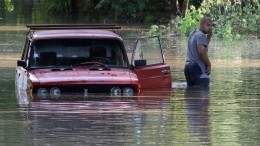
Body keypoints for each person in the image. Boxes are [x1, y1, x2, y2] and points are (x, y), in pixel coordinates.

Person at [184, 17, 213, 86]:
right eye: (208, 25)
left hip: (188, 67)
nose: (210, 28)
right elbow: (201, 51)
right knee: (202, 94)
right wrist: (209, 64)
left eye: (211, 25)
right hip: (199, 69)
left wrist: (208, 38)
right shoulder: (201, 35)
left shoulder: (193, 33)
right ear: (201, 25)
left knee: (191, 94)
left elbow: (201, 47)